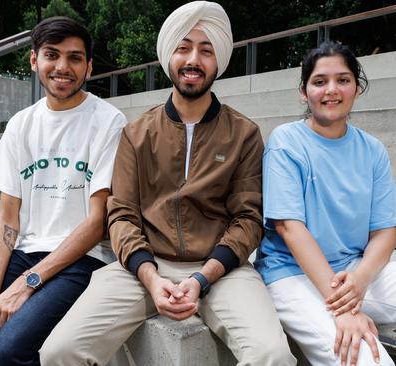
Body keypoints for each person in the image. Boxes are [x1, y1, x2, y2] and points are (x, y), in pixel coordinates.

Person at [40, 2, 296, 365]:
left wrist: (202, 278)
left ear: (218, 61)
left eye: (206, 50)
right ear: (168, 56)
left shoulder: (244, 133)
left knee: (273, 356)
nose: (193, 59)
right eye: (184, 47)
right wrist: (150, 276)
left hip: (222, 269)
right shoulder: (136, 133)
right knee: (58, 352)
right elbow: (122, 215)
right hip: (142, 266)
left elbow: (248, 220)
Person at [0, 16, 127, 366]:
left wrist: (25, 285)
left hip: (83, 260)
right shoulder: (21, 124)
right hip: (26, 255)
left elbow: (97, 222)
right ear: (34, 61)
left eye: (75, 58)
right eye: (52, 55)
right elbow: (7, 217)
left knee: (13, 349)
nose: (63, 67)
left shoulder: (108, 121)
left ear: (89, 67)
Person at [254, 41, 396, 366]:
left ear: (357, 87)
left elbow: (384, 231)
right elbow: (290, 228)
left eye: (343, 80)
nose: (332, 90)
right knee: (369, 358)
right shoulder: (286, 142)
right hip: (292, 276)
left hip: (352, 271)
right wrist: (344, 308)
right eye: (319, 81)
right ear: (304, 92)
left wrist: (360, 279)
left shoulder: (371, 150)